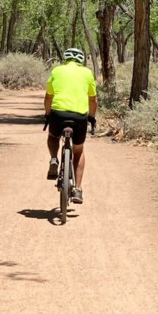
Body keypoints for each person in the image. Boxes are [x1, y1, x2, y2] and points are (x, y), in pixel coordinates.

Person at [44, 47, 97, 204]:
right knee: (78, 151)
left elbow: (48, 97)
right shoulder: (87, 73)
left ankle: (54, 159)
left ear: (65, 59)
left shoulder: (57, 71)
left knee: (53, 136)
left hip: (58, 114)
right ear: (81, 60)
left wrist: (48, 114)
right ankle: (78, 190)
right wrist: (92, 117)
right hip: (79, 116)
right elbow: (93, 100)